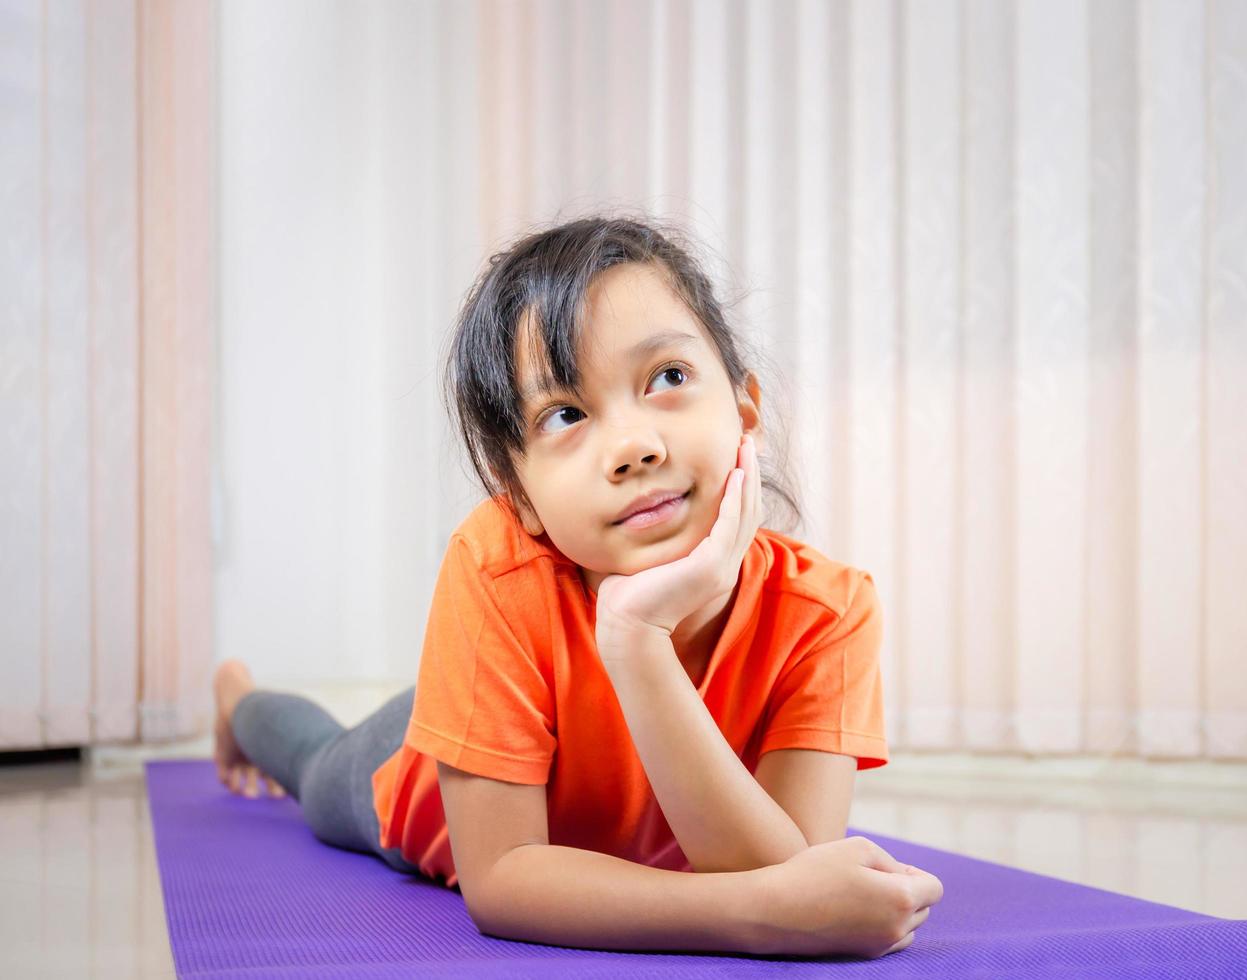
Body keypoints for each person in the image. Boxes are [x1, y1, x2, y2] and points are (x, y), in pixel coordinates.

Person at [212, 214, 943, 958]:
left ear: (745, 408)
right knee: (313, 763)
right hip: (437, 768)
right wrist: (631, 637)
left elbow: (791, 884)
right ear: (519, 494)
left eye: (667, 378)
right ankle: (238, 700)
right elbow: (502, 880)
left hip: (537, 709)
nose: (632, 447)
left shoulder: (828, 611)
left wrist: (642, 647)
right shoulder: (496, 566)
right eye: (565, 414)